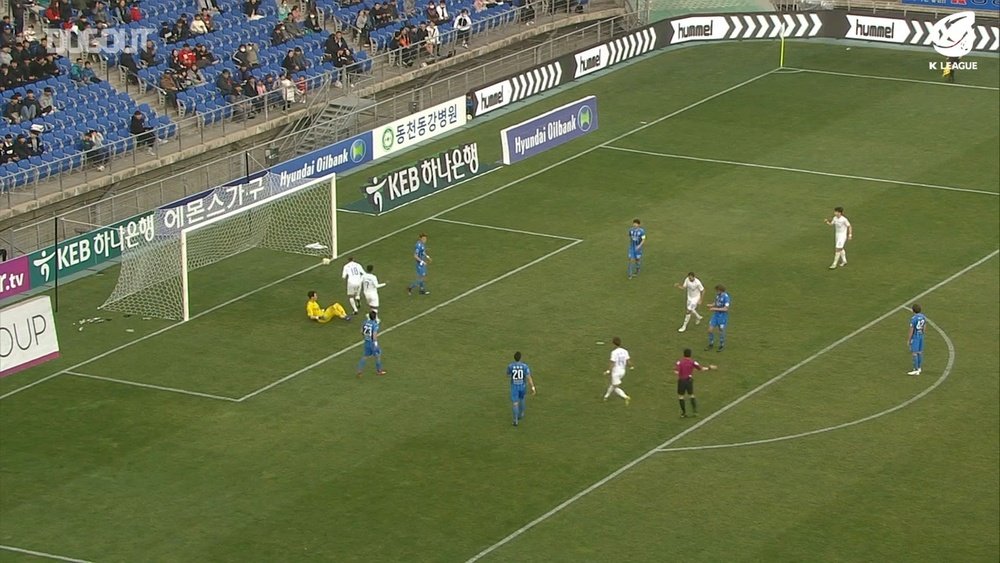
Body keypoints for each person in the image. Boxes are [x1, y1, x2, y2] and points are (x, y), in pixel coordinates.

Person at [674, 348, 716, 418]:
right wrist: (709, 368)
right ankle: (695, 411)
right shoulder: (693, 362)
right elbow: (701, 369)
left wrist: (681, 373)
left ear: (683, 354)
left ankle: (683, 413)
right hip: (689, 380)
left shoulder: (679, 362)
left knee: (681, 396)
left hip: (681, 381)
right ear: (690, 355)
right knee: (691, 395)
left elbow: (676, 371)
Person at [507, 351, 536, 427]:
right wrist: (533, 387)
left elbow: (508, 374)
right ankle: (521, 414)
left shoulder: (511, 366)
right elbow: (529, 377)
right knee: (522, 399)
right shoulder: (524, 366)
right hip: (522, 386)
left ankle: (515, 420)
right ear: (520, 358)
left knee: (515, 403)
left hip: (514, 387)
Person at [603, 336, 633, 405]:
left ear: (613, 344)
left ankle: (626, 397)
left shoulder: (614, 352)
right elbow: (628, 361)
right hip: (622, 372)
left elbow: (612, 363)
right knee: (613, 385)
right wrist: (631, 366)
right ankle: (606, 397)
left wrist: (608, 371)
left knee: (616, 388)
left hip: (616, 372)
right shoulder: (625, 351)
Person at [357, 310, 386, 377]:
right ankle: (379, 371)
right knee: (378, 355)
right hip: (372, 343)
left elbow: (361, 331)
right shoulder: (375, 325)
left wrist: (366, 337)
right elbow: (374, 335)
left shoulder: (365, 322)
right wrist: (375, 343)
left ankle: (359, 370)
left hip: (366, 342)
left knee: (365, 356)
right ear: (375, 317)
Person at [705, 284, 730, 352]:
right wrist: (711, 305)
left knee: (721, 331)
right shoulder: (718, 296)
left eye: (717, 291)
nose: (716, 292)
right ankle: (711, 343)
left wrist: (714, 308)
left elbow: (726, 309)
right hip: (715, 315)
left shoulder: (726, 297)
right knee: (710, 330)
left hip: (722, 317)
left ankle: (721, 345)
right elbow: (716, 303)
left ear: (720, 290)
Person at [907, 303, 927, 376]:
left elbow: (911, 330)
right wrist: (922, 334)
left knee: (914, 353)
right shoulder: (923, 317)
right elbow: (924, 327)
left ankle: (915, 370)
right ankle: (919, 368)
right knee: (919, 352)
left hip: (915, 337)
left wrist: (909, 340)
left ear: (913, 310)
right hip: (921, 336)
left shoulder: (914, 319)